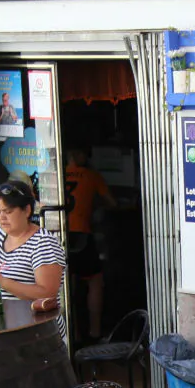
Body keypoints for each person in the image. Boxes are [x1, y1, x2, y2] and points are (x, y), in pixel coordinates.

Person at [0, 181, 64, 321]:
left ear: (27, 210)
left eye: (8, 211)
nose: (2, 217)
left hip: (32, 329)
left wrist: (2, 281)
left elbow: (48, 294)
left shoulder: (43, 243)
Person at [61, 143, 117, 344]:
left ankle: (72, 334)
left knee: (68, 284)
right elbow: (112, 202)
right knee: (95, 281)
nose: (88, 156)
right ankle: (95, 332)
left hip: (60, 234)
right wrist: (93, 205)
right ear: (75, 153)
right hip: (82, 234)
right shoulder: (91, 175)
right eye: (85, 152)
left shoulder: (57, 173)